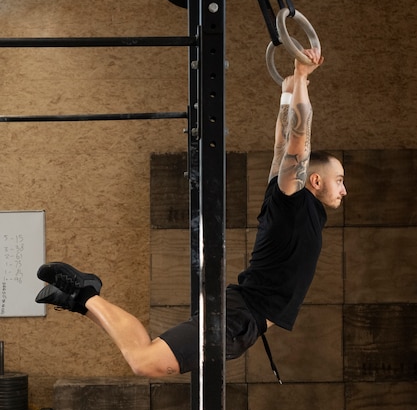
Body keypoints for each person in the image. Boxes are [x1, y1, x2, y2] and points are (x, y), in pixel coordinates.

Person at [35, 48, 346, 380]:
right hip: (241, 315)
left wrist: (290, 91)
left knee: (145, 358)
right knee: (145, 362)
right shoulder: (292, 201)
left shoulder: (297, 205)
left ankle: (80, 297)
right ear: (314, 179)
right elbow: (296, 141)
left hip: (241, 312)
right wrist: (300, 77)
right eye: (339, 180)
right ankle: (83, 293)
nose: (344, 190)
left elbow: (282, 141)